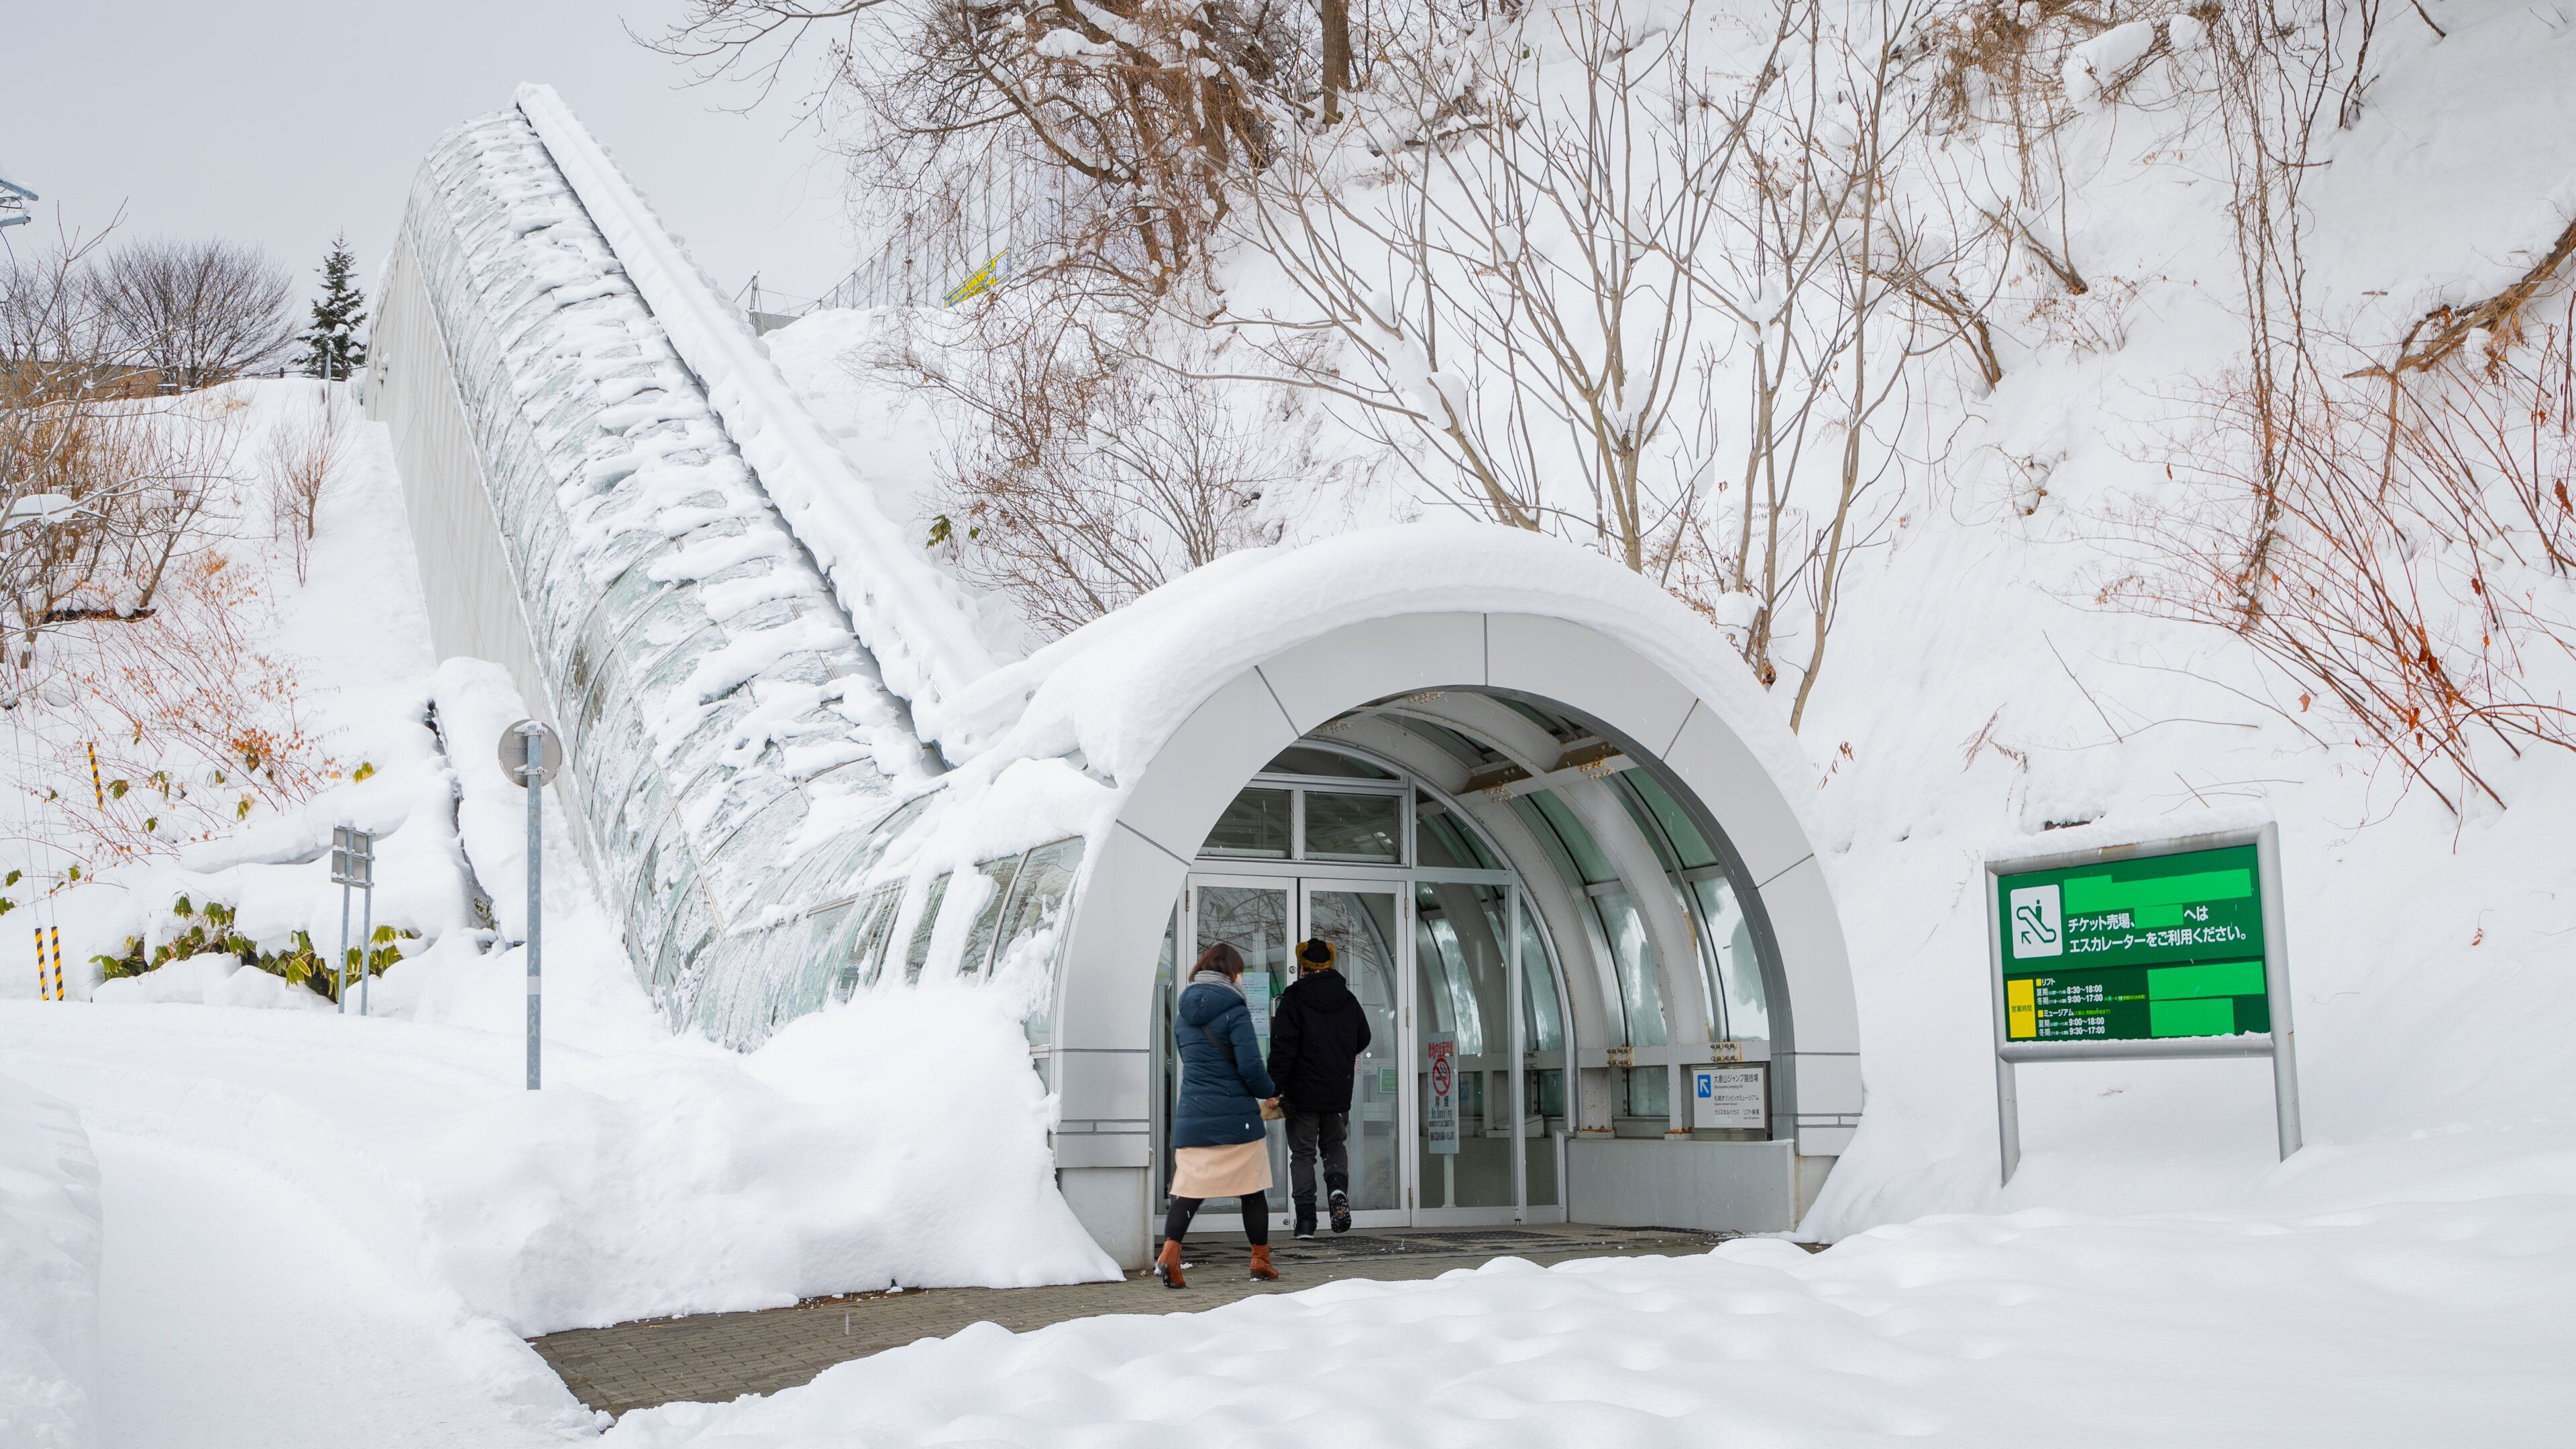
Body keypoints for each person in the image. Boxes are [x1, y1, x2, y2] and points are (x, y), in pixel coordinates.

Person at [1156, 941, 1283, 1289]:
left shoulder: (1184, 1015)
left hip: (1194, 1116)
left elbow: (1192, 1062)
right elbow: (1250, 1066)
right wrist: (1270, 1089)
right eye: (1240, 972)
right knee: (1252, 1191)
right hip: (1236, 1119)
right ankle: (1260, 1260)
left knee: (1189, 1191)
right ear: (1231, 973)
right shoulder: (1236, 1011)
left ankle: (1169, 1253)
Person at [1266, 936, 1373, 1238]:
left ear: (1303, 968)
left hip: (1302, 1094)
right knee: (1334, 1146)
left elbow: (1283, 1049)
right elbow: (1363, 1037)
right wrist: (1338, 1055)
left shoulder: (1293, 1000)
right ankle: (1337, 1191)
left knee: (1302, 1154)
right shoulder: (1347, 999)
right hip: (1338, 1092)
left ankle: (1305, 1221)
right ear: (1329, 964)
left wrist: (1274, 1087)